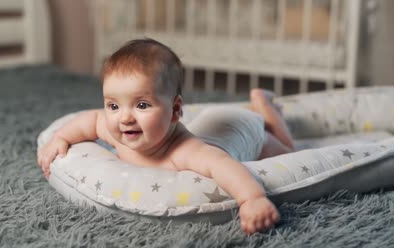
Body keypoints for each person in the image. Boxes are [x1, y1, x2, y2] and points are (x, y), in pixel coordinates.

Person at [37, 38, 294, 234]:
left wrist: (252, 198)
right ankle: (260, 106)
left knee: (287, 148)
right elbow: (90, 120)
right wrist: (61, 137)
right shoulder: (118, 129)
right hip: (219, 119)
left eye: (142, 105)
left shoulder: (187, 150)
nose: (124, 118)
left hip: (242, 129)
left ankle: (266, 110)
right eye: (113, 106)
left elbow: (224, 167)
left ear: (176, 110)